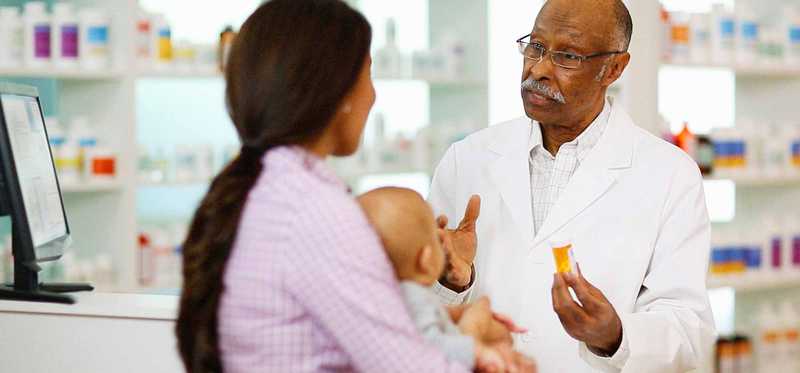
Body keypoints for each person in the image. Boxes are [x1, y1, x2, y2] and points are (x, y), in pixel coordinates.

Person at [174, 1, 535, 372]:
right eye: (369, 74)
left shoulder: (266, 188)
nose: (373, 96)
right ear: (337, 93)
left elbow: (327, 324)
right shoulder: (315, 210)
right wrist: (478, 348)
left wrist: (442, 323)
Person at [429, 0, 715, 372]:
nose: (539, 69)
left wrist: (615, 333)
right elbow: (413, 311)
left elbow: (690, 334)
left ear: (614, 68)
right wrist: (453, 282)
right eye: (535, 46)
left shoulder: (671, 175)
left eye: (567, 56)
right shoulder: (467, 158)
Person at [357, 187, 525, 372]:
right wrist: (478, 352)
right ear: (426, 259)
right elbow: (430, 345)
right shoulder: (413, 299)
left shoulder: (380, 297)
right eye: (437, 238)